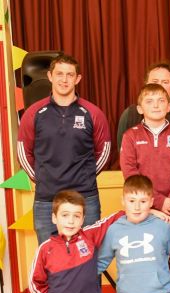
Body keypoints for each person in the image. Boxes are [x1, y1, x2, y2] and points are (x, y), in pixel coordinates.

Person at [18, 54, 111, 245]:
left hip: (85, 196)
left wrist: (85, 176)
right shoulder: (34, 113)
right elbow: (23, 151)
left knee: (89, 258)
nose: (64, 79)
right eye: (59, 74)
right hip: (46, 199)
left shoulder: (93, 113)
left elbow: (104, 151)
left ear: (78, 79)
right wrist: (43, 179)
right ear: (50, 76)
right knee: (49, 259)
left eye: (70, 75)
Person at [120, 84, 170, 217]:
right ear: (140, 109)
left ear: (169, 107)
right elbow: (130, 174)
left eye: (161, 101)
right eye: (149, 101)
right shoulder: (130, 136)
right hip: (145, 208)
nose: (156, 105)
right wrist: (160, 201)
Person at [117, 61, 170, 159]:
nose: (159, 86)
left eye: (165, 82)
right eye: (155, 81)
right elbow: (124, 154)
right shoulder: (130, 114)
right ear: (145, 85)